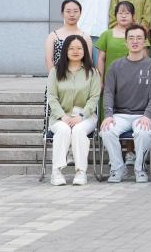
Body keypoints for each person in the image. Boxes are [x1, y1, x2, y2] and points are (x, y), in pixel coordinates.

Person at [100, 24, 151, 183]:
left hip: (144, 115)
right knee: (107, 131)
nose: (135, 41)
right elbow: (108, 92)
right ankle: (118, 169)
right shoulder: (115, 66)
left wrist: (147, 115)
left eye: (139, 38)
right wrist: (108, 115)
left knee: (143, 132)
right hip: (120, 114)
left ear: (145, 41)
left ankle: (139, 169)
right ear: (126, 42)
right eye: (131, 38)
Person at [46, 35, 100, 186]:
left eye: (79, 48)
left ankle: (81, 172)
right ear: (65, 51)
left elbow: (94, 98)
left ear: (85, 51)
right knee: (63, 130)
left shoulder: (93, 72)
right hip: (60, 117)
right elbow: (52, 97)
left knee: (78, 130)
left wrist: (81, 116)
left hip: (86, 116)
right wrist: (62, 116)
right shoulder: (55, 72)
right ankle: (56, 171)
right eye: (71, 48)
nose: (75, 51)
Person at [45, 0, 93, 71]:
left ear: (80, 13)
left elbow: (88, 60)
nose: (72, 15)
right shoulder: (53, 36)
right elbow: (48, 59)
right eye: (68, 11)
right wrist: (53, 76)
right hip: (58, 75)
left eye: (75, 11)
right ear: (62, 13)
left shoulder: (85, 37)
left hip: (80, 76)